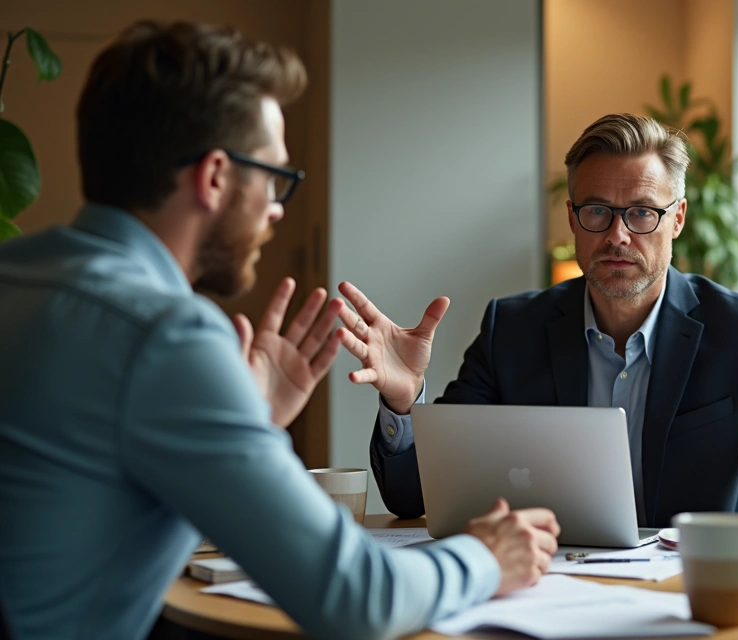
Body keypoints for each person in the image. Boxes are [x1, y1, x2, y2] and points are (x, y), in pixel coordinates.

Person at [0, 22, 557, 640]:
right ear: (214, 177)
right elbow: (357, 599)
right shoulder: (166, 335)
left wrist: (245, 420)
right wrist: (485, 556)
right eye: (273, 178)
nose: (277, 208)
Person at [336, 113, 738, 527]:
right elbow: (416, 496)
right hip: (549, 592)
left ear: (676, 220)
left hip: (690, 597)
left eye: (642, 212)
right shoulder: (510, 330)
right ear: (572, 218)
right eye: (598, 210)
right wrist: (402, 404)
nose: (618, 235)